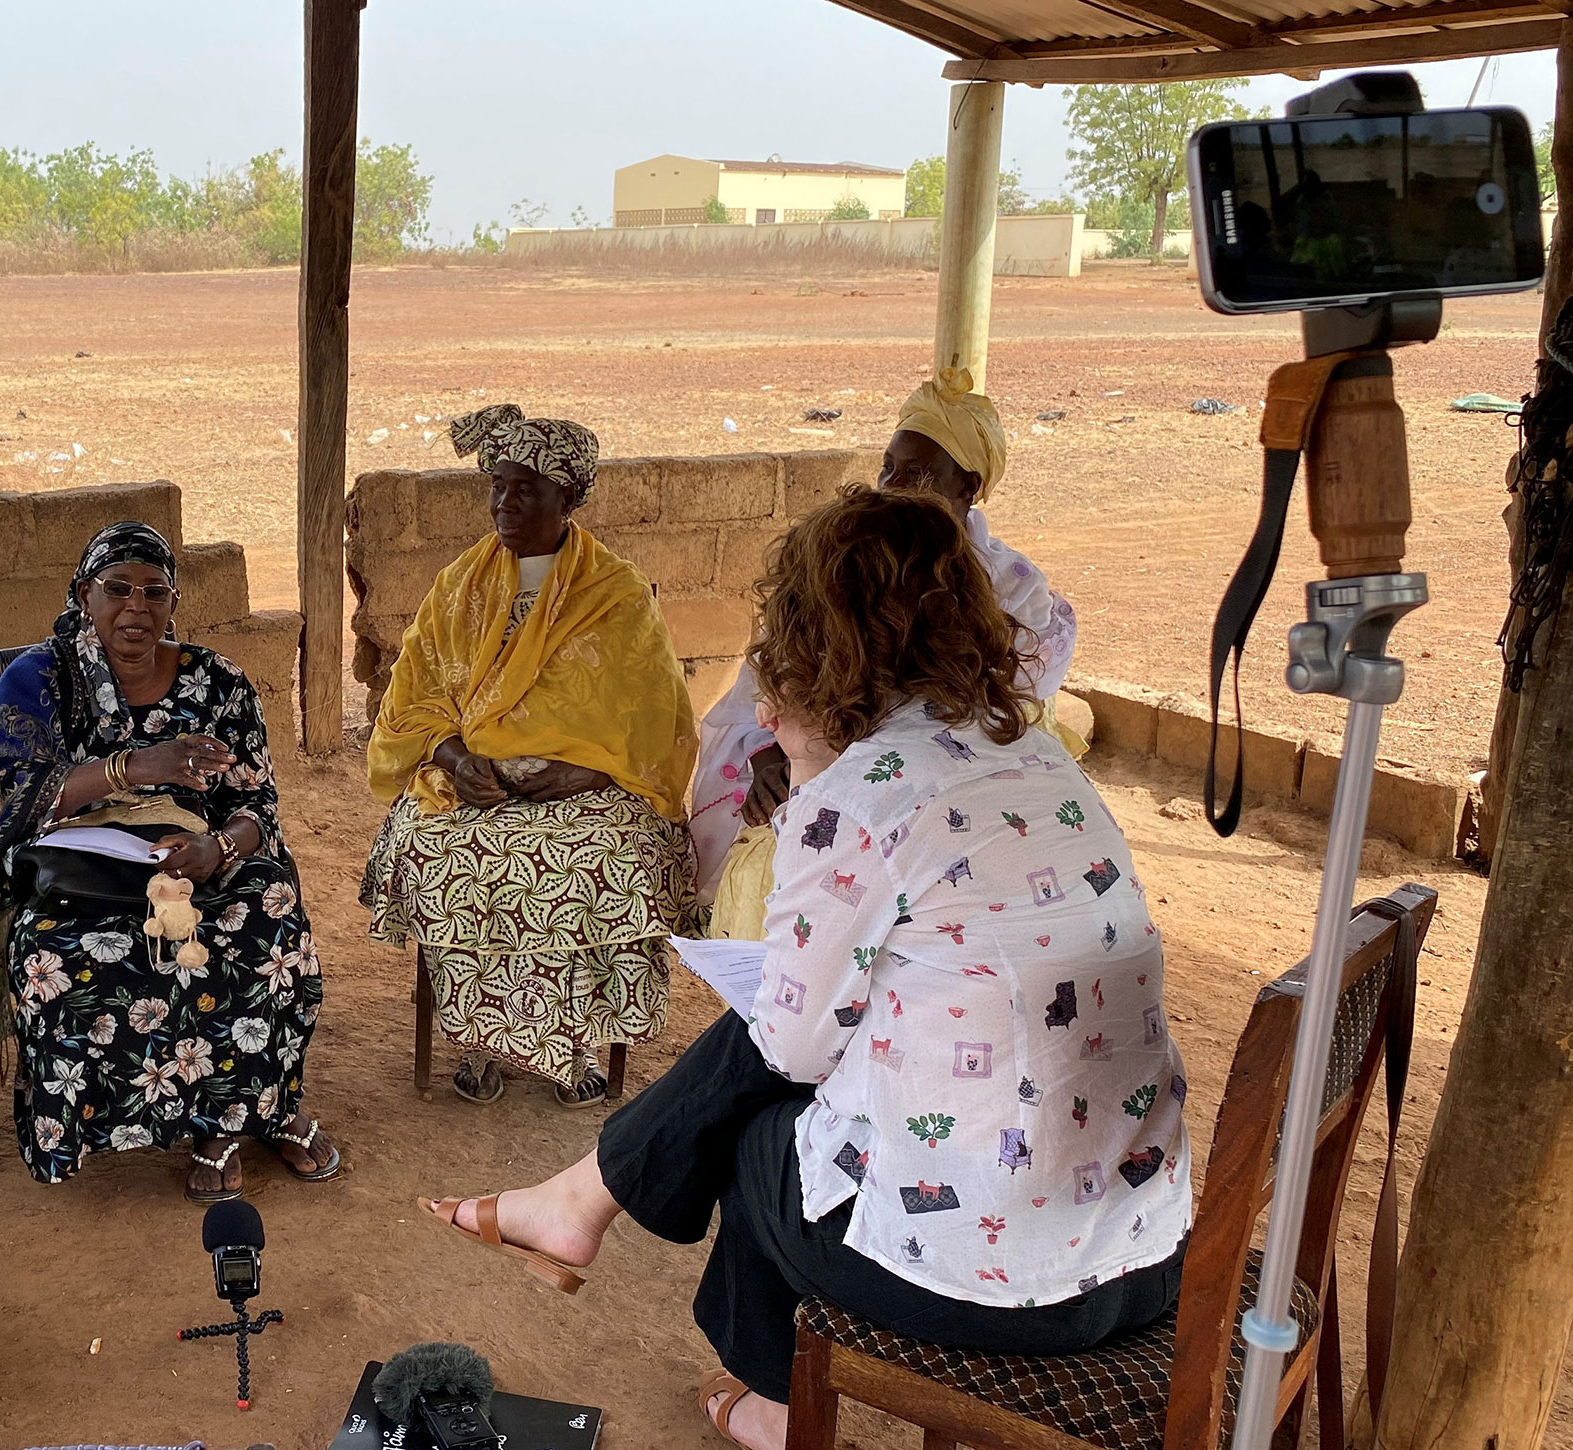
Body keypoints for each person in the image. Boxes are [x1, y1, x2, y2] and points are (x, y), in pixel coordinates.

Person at [419, 489, 1190, 1450]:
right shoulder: (1032, 753)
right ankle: (580, 1202)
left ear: (813, 636)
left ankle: (775, 1402)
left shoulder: (863, 795)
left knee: (766, 1141)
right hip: (1148, 1249)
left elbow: (793, 1043)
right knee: (801, 1093)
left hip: (1008, 1287)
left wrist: (814, 784)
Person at [0, 522, 339, 1200]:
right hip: (83, 867)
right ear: (83, 595)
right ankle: (98, 1119)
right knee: (53, 952)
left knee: (266, 919)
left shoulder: (219, 683)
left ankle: (238, 1117)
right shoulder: (41, 677)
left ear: (174, 603)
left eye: (156, 592)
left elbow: (258, 807)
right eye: (117, 589)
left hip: (196, 860)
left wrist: (219, 850)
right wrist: (132, 767)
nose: (137, 607)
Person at [359, 403, 703, 1107]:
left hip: (587, 788)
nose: (504, 504)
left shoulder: (617, 594)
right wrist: (455, 759)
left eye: (525, 489)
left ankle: (572, 1048)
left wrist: (587, 771)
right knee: (442, 851)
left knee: (601, 861)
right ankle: (479, 1042)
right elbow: (413, 697)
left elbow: (652, 716)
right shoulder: (459, 586)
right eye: (497, 487)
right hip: (471, 779)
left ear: (569, 498)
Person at [689, 372, 1082, 940]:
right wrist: (771, 752)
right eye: (888, 466)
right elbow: (773, 687)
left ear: (967, 487)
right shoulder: (847, 565)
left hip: (925, 792)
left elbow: (955, 724)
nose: (894, 485)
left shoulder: (1010, 591)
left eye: (917, 473)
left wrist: (823, 763)